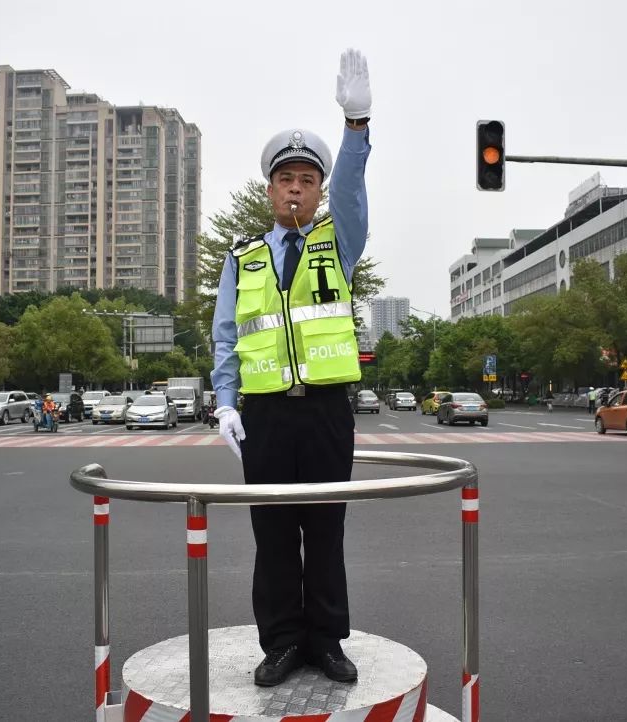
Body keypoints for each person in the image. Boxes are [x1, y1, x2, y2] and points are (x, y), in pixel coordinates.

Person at [211, 48, 372, 687]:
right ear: (271, 189)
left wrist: (356, 127)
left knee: (325, 531)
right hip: (267, 415)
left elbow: (355, 190)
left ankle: (327, 642)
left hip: (328, 411)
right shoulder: (243, 256)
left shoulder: (342, 239)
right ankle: (280, 643)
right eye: (287, 180)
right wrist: (225, 401)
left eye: (308, 179)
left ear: (319, 188)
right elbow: (227, 334)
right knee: (273, 536)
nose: (297, 189)